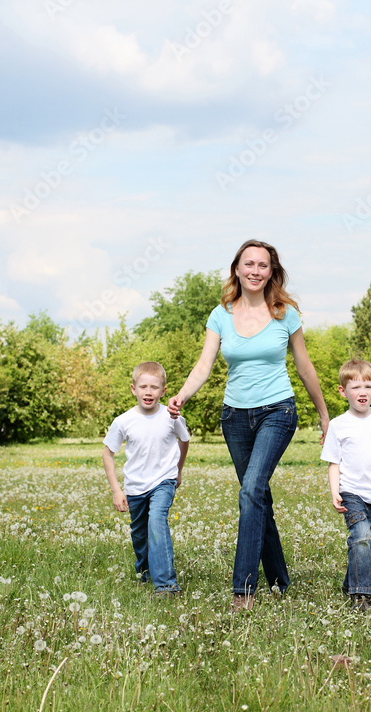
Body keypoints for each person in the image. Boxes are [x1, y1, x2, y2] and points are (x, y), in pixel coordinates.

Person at [168, 239, 330, 609]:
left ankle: (243, 589)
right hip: (235, 417)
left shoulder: (284, 313)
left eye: (263, 265)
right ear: (237, 269)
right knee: (257, 496)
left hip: (278, 411)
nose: (255, 271)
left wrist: (324, 414)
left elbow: (304, 367)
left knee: (251, 489)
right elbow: (204, 365)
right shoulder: (220, 314)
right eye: (249, 264)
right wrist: (181, 395)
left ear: (271, 272)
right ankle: (279, 580)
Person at [103, 362, 190, 596]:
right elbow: (107, 453)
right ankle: (145, 570)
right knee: (139, 533)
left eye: (154, 387)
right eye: (143, 387)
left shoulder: (172, 417)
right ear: (134, 389)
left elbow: (184, 440)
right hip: (135, 487)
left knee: (157, 523)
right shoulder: (123, 421)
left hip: (164, 481)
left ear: (163, 391)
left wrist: (178, 470)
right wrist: (116, 490)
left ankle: (166, 585)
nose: (148, 392)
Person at [320, 359, 371, 612]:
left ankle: (349, 582)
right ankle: (361, 598)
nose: (362, 392)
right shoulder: (338, 425)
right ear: (343, 391)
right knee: (361, 537)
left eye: (367, 386)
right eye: (355, 387)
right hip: (351, 492)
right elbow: (334, 463)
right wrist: (335, 491)